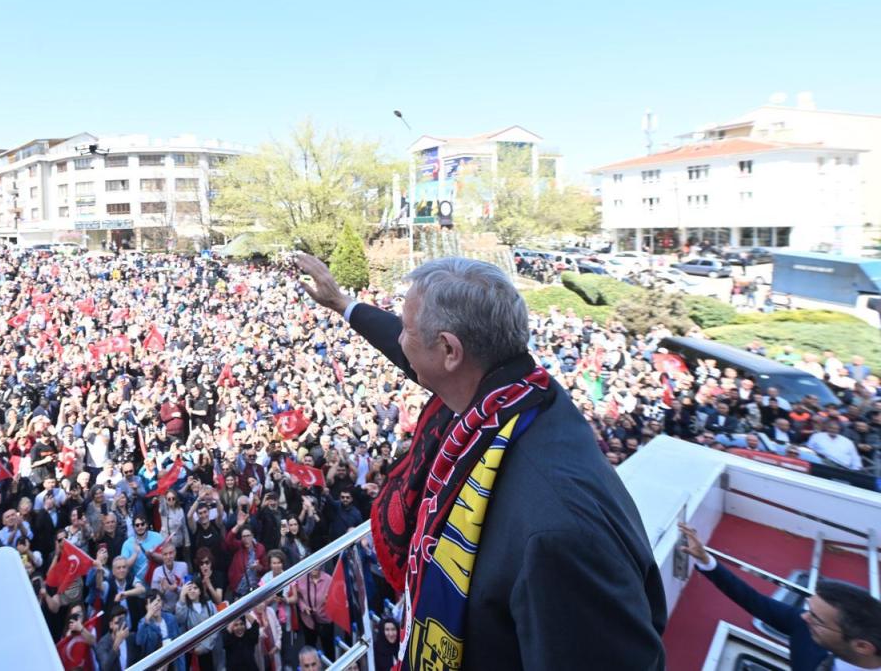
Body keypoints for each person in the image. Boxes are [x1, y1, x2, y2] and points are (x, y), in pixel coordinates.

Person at [293, 252, 666, 670]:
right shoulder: (508, 392)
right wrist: (344, 305)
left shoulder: (557, 529)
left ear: (450, 351)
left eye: (409, 332)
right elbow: (415, 353)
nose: (400, 341)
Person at [679, 523, 881, 669]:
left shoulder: (810, 630)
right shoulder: (807, 626)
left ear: (862, 646)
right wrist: (706, 561)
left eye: (816, 618)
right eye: (809, 609)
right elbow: (755, 602)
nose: (804, 617)